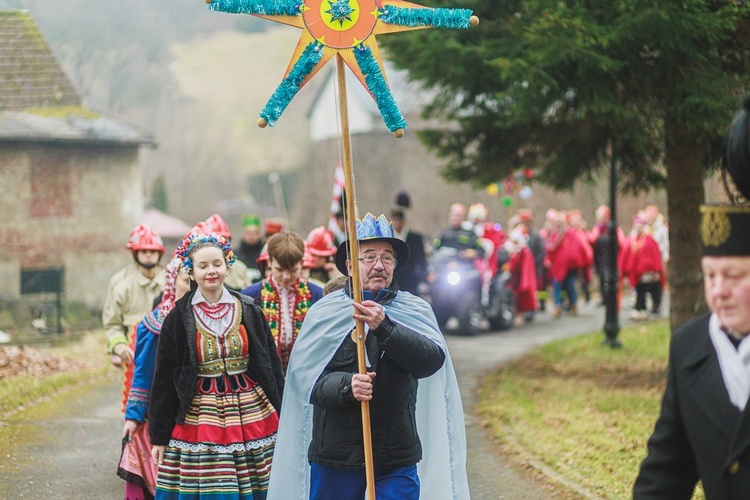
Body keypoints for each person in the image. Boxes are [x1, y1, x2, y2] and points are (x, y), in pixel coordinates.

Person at [267, 213, 469, 500]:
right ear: (350, 266)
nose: (378, 265)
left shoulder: (415, 310)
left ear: (395, 266)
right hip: (336, 454)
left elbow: (430, 362)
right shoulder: (324, 314)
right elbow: (306, 382)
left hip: (395, 452)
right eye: (369, 257)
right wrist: (347, 386)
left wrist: (384, 327)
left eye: (387, 258)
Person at [633, 97, 750, 499]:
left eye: (734, 276)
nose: (719, 290)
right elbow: (665, 471)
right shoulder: (690, 346)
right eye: (711, 276)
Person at [148, 232, 285, 499]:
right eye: (203, 266)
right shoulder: (177, 318)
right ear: (190, 270)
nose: (212, 271)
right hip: (200, 415)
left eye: (217, 264)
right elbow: (164, 378)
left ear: (227, 265)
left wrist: (285, 415)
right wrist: (159, 436)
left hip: (252, 412)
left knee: (260, 484)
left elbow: (270, 366)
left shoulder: (250, 309)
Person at [118, 254, 190, 500]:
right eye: (186, 279)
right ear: (172, 281)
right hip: (161, 414)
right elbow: (143, 373)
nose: (192, 285)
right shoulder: (153, 324)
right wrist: (133, 416)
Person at [241, 231, 324, 372]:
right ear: (269, 262)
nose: (286, 276)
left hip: (306, 370)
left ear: (302, 264)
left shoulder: (317, 294)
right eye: (279, 270)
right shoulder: (250, 296)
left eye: (292, 270)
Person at [103, 224, 166, 369]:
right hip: (134, 359)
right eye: (144, 251)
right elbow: (112, 325)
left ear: (160, 254)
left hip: (166, 358)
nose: (149, 255)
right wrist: (119, 347)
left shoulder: (173, 283)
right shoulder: (122, 287)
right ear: (135, 253)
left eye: (153, 251)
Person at [618, 213, 665, 320]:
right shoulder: (631, 239)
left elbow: (655, 255)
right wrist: (624, 270)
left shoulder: (649, 239)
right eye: (636, 224)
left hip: (649, 272)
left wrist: (657, 270)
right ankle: (640, 308)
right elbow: (625, 254)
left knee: (654, 289)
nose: (638, 227)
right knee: (640, 291)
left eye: (640, 224)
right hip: (637, 272)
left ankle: (656, 306)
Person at [205, 213, 252, 291]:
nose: (223, 246)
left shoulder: (240, 268)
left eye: (226, 241)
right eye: (218, 241)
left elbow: (249, 296)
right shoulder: (197, 270)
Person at [390, 206, 427, 295]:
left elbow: (421, 261)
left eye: (398, 220)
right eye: (394, 220)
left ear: (403, 221)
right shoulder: (389, 237)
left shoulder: (415, 238)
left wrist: (423, 280)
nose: (396, 223)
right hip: (393, 279)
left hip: (410, 279)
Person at [234, 214, 265, 283]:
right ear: (242, 234)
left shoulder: (264, 253)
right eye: (248, 233)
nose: (252, 236)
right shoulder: (235, 255)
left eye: (255, 233)